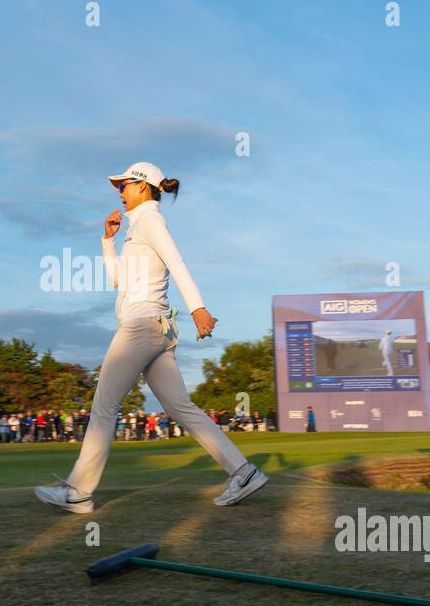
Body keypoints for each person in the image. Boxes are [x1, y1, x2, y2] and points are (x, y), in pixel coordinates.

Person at [35, 162, 267, 513]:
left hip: (142, 326)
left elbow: (178, 262)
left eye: (124, 184)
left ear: (143, 186)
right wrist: (107, 241)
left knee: (104, 404)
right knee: (179, 407)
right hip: (157, 328)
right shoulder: (136, 228)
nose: (119, 191)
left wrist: (198, 308)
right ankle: (243, 472)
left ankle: (79, 492)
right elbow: (117, 281)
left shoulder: (149, 221)